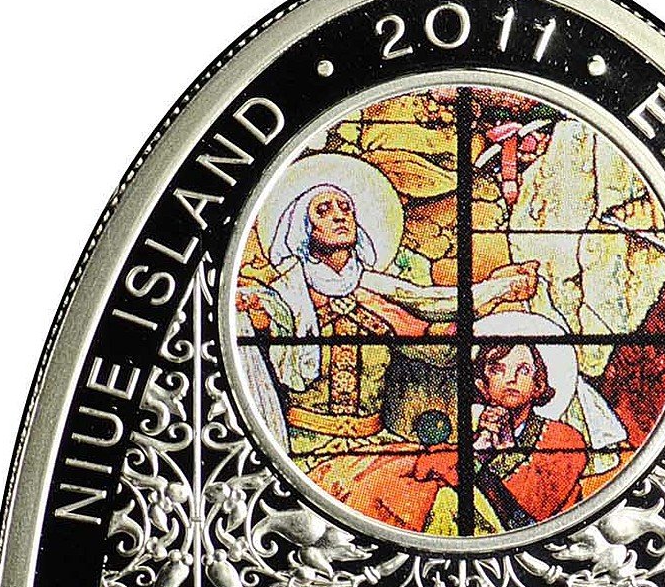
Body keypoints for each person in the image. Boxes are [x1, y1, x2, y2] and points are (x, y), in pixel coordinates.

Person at [236, 183, 537, 478]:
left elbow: (434, 330)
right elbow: (258, 338)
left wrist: (496, 290)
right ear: (303, 230)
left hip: (376, 445)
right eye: (323, 211)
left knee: (435, 487)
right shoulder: (285, 296)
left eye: (346, 208)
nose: (340, 216)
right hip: (305, 447)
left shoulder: (378, 291)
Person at [470, 340, 587, 528]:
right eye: (497, 370)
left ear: (538, 385)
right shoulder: (470, 440)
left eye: (524, 370)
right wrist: (478, 452)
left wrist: (507, 449)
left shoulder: (565, 440)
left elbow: (540, 509)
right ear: (482, 385)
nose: (511, 378)